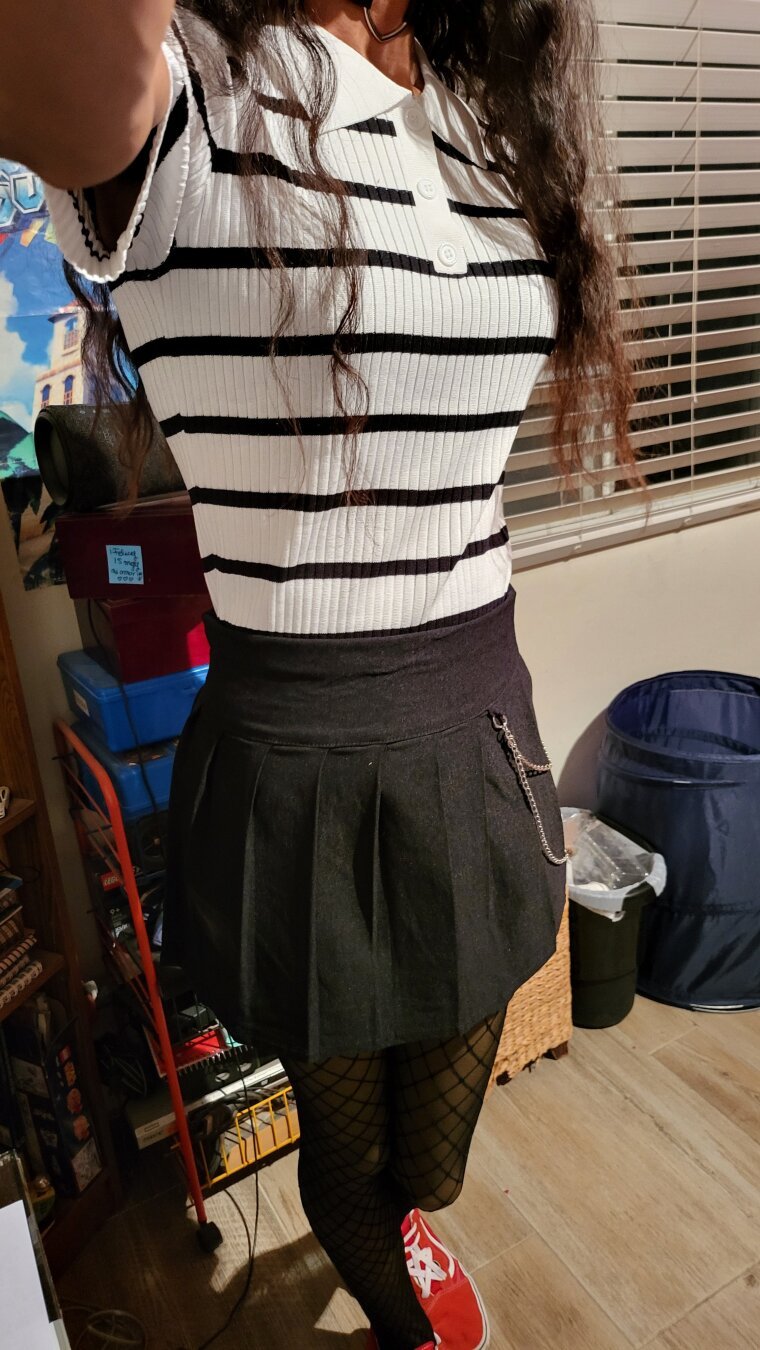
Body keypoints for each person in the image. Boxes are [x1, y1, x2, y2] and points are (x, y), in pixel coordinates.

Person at [1, 2, 647, 1346]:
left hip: (481, 740)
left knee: (434, 1160)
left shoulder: (482, 111)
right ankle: (395, 1310)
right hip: (295, 772)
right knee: (347, 1161)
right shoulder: (190, 93)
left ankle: (407, 1219)